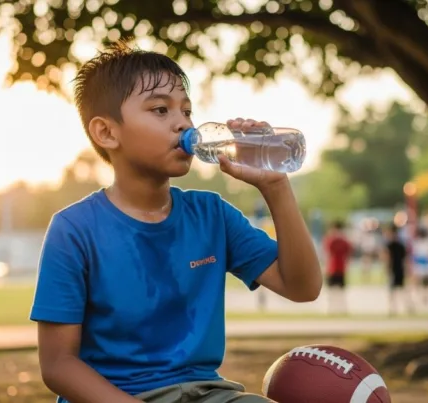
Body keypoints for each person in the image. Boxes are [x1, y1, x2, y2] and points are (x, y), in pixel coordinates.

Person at [29, 43, 322, 403]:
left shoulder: (212, 214)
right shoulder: (73, 230)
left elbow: (303, 287)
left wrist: (275, 185)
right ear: (107, 133)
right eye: (160, 109)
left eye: (186, 110)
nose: (183, 122)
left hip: (209, 394)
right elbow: (58, 364)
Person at [322, 219, 352, 314]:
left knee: (332, 291)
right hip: (339, 267)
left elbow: (326, 253)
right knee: (340, 291)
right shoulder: (344, 240)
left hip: (333, 267)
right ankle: (342, 309)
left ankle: (332, 309)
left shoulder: (331, 240)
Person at [382, 225, 411, 315]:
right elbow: (405, 259)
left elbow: (387, 258)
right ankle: (406, 307)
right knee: (401, 290)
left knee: (393, 291)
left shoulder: (389, 246)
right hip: (400, 269)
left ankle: (393, 309)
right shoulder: (401, 245)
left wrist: (386, 269)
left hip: (394, 270)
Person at [410, 227, 428, 307]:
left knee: (421, 282)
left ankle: (421, 296)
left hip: (421, 265)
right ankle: (425, 296)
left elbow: (415, 256)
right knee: (425, 283)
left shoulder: (417, 243)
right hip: (425, 265)